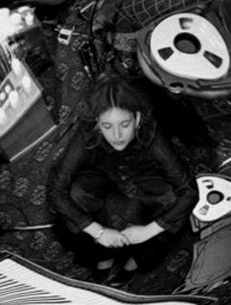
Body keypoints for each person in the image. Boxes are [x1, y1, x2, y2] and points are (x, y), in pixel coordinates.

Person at [50, 76, 197, 285]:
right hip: (100, 170)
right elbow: (56, 190)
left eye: (125, 124)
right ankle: (102, 256)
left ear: (137, 119)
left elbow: (189, 191)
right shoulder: (87, 134)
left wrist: (148, 231)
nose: (117, 135)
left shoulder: (152, 135)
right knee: (76, 194)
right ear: (97, 123)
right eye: (107, 126)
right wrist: (98, 232)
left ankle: (137, 259)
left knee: (171, 199)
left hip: (143, 171)